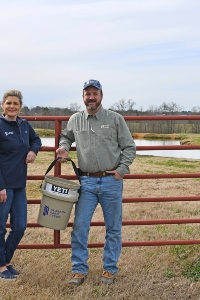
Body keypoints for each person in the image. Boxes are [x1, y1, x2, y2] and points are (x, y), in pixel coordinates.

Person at [56, 79, 136, 285]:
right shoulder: (75, 119)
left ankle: (109, 269)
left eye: (95, 93)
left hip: (111, 182)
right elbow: (66, 136)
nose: (91, 97)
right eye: (87, 93)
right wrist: (64, 147)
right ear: (82, 96)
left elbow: (129, 147)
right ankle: (79, 270)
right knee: (80, 226)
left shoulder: (115, 119)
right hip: (86, 182)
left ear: (101, 95)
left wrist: (121, 170)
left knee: (113, 228)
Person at [0, 89, 42, 280]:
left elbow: (36, 140)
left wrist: (33, 151)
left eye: (15, 103)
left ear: (20, 106)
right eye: (8, 103)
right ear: (3, 105)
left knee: (20, 226)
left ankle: (5, 260)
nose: (12, 106)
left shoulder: (24, 125)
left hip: (18, 184)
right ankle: (1, 266)